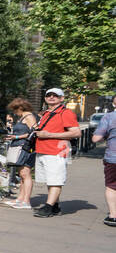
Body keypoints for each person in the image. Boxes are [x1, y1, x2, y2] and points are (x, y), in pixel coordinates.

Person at [32, 88, 81, 217]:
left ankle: (48, 208)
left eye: (55, 95)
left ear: (61, 98)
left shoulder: (65, 113)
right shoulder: (47, 113)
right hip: (43, 150)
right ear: (45, 98)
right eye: (49, 95)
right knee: (50, 180)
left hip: (56, 151)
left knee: (55, 180)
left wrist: (49, 134)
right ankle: (55, 206)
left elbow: (76, 132)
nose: (52, 97)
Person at [5, 97, 38, 209]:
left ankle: (26, 201)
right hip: (20, 146)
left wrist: (17, 136)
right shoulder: (22, 117)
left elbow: (33, 132)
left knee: (25, 173)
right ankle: (20, 199)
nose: (14, 112)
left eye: (15, 109)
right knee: (22, 174)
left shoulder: (29, 116)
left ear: (20, 108)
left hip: (25, 148)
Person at [92, 103, 116, 227]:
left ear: (113, 104)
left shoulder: (109, 117)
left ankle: (113, 216)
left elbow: (96, 138)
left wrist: (107, 135)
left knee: (112, 186)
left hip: (113, 158)